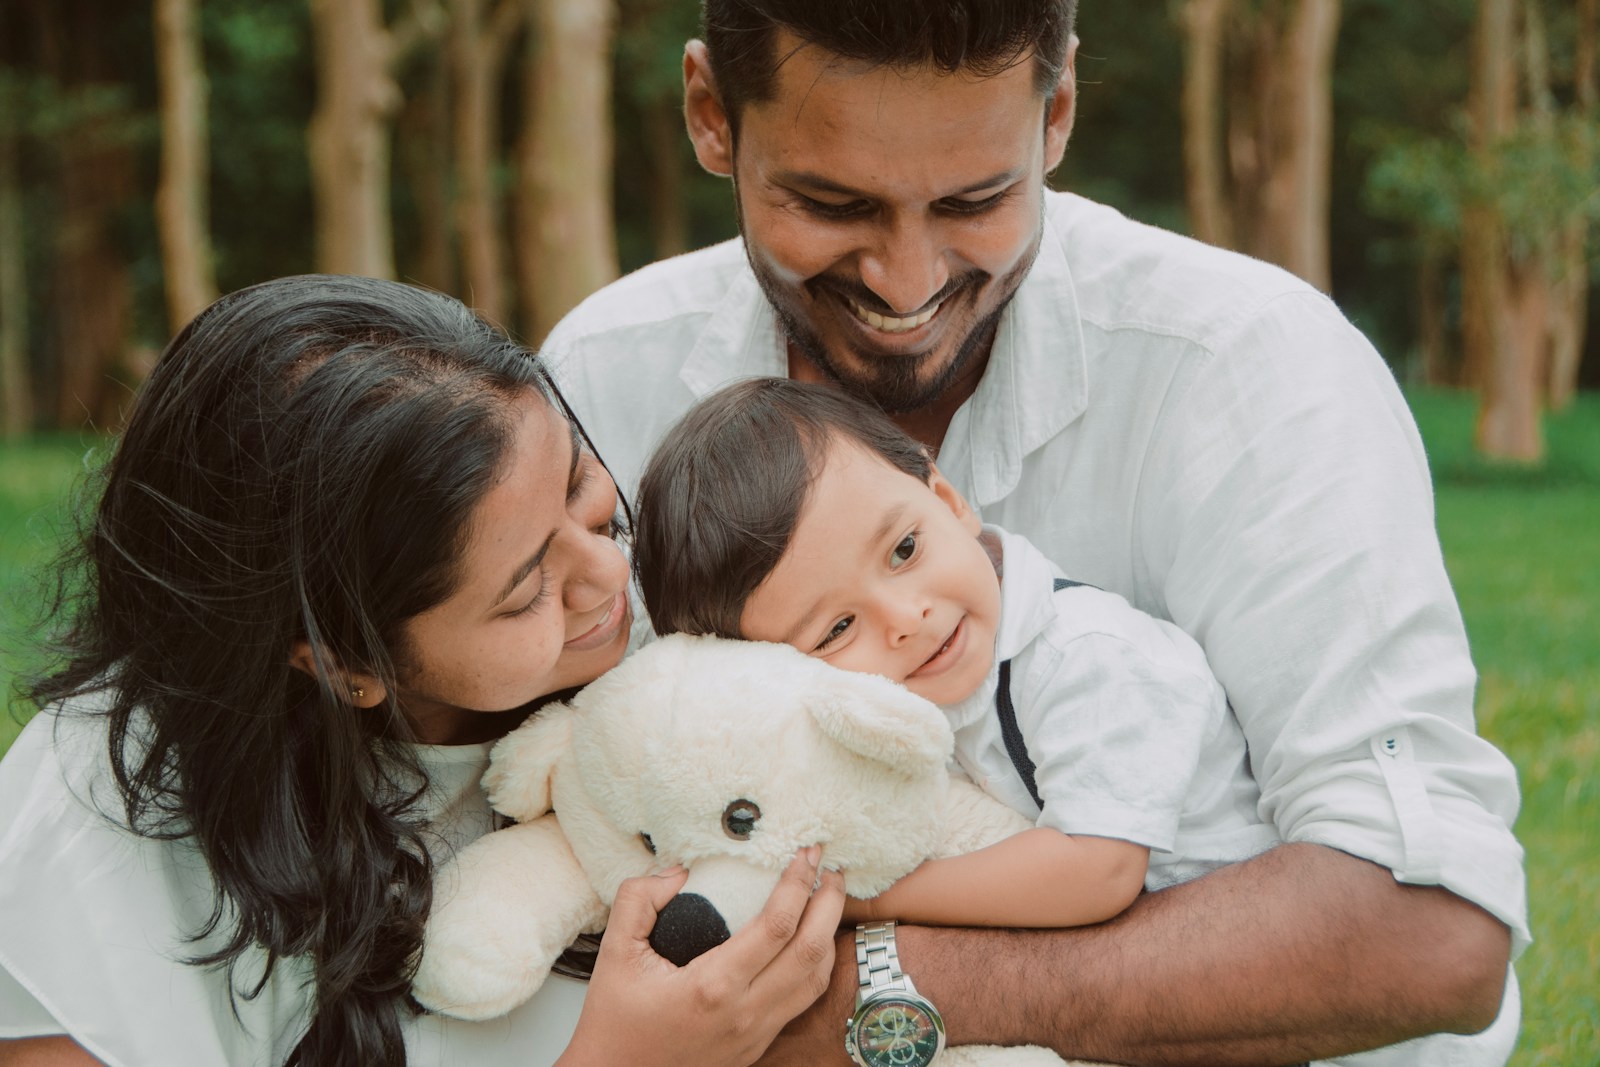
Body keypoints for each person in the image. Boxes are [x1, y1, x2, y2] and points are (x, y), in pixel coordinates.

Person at [541, 2, 1529, 1064]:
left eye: (976, 199)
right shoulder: (606, 380)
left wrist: (859, 1000)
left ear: (1055, 112)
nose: (904, 281)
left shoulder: (1247, 366)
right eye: (831, 203)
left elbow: (1429, 929)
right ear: (710, 116)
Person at [0, 274, 844, 1067]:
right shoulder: (100, 825)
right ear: (346, 661)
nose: (609, 575)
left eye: (583, 491)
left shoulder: (675, 652)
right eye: (525, 592)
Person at [634, 377, 1284, 929]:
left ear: (946, 498)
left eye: (904, 550)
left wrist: (863, 897)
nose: (905, 617)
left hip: (1233, 960)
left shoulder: (1084, 653)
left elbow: (1098, 867)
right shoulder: (871, 710)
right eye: (835, 629)